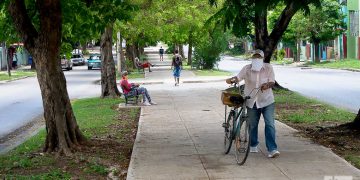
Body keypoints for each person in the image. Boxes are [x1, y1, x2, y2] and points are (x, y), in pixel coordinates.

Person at [226, 49, 280, 158]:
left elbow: (272, 81)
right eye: (254, 57)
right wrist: (232, 80)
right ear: (252, 58)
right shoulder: (246, 68)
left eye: (259, 57)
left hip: (267, 100)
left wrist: (267, 85)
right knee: (252, 124)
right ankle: (253, 144)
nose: (256, 59)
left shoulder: (268, 68)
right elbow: (238, 77)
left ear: (262, 58)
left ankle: (272, 149)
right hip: (251, 101)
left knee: (270, 124)